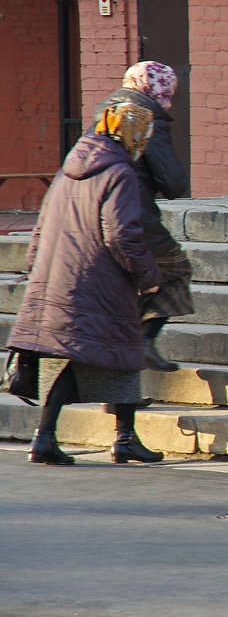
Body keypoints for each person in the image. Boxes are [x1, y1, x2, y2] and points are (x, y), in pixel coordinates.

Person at [7, 103, 165, 466]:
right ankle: (117, 439)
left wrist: (35, 270)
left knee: (89, 355)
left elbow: (42, 223)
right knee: (118, 351)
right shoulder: (120, 172)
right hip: (99, 279)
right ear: (132, 134)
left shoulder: (69, 167)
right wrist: (148, 275)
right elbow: (122, 234)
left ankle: (55, 438)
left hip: (58, 275)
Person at [90, 61, 192, 372]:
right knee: (174, 271)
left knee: (122, 292)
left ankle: (120, 392)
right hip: (136, 217)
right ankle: (145, 340)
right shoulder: (145, 117)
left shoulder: (105, 111)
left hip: (94, 214)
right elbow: (172, 181)